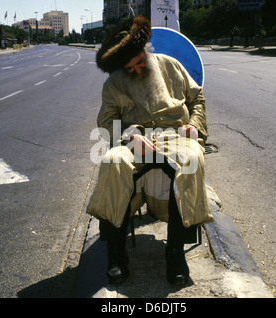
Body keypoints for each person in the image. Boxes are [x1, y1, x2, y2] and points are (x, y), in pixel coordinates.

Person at [87, 16, 213, 286]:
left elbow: (197, 99)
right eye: (128, 67)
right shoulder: (113, 84)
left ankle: (175, 252)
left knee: (191, 159)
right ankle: (116, 254)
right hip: (135, 139)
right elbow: (106, 124)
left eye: (138, 62)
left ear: (145, 49)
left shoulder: (171, 66)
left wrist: (194, 126)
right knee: (112, 160)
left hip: (175, 134)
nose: (134, 69)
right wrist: (130, 137)